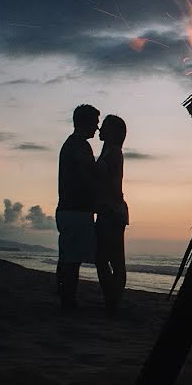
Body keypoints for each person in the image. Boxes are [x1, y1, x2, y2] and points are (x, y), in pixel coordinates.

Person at [56, 104, 100, 310]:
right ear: (86, 122)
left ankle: (65, 298)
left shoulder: (72, 144)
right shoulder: (79, 145)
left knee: (68, 257)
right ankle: (68, 301)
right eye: (95, 123)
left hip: (69, 209)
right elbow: (86, 177)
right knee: (72, 260)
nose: (97, 128)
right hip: (75, 210)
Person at [94, 114, 129, 315]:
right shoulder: (110, 152)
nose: (99, 130)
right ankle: (112, 299)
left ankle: (112, 300)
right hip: (111, 209)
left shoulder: (114, 153)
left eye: (104, 127)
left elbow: (108, 182)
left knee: (110, 259)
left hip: (112, 210)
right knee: (108, 259)